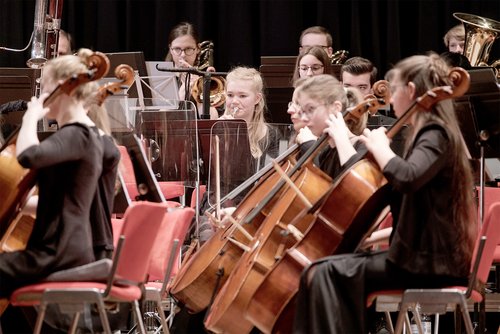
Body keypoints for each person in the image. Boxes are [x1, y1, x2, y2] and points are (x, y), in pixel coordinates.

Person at [293, 52, 477, 334]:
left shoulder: (435, 133)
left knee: (323, 272)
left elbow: (407, 179)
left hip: (429, 263)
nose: (390, 96)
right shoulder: (427, 131)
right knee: (317, 271)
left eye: (395, 88)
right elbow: (388, 193)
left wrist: (381, 149)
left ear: (411, 91)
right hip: (419, 257)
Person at [0, 49, 104, 331]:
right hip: (64, 249)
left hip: (58, 254)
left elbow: (27, 156)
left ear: (65, 87)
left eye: (45, 87)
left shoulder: (76, 134)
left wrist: (30, 118)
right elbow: (65, 199)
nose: (40, 95)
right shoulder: (84, 136)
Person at [165, 21, 219, 119]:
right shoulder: (161, 78)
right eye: (177, 49)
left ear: (198, 49)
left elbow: (213, 120)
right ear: (170, 49)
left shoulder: (203, 78)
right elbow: (156, 121)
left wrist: (199, 91)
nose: (183, 55)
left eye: (188, 49)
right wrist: (179, 98)